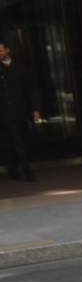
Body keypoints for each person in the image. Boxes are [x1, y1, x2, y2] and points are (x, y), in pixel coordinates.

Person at [0, 40, 38, 182]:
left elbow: (30, 90)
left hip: (22, 111)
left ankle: (12, 168)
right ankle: (28, 171)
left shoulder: (20, 68)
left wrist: (35, 109)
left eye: (1, 51)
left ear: (7, 50)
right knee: (17, 142)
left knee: (20, 142)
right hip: (6, 113)